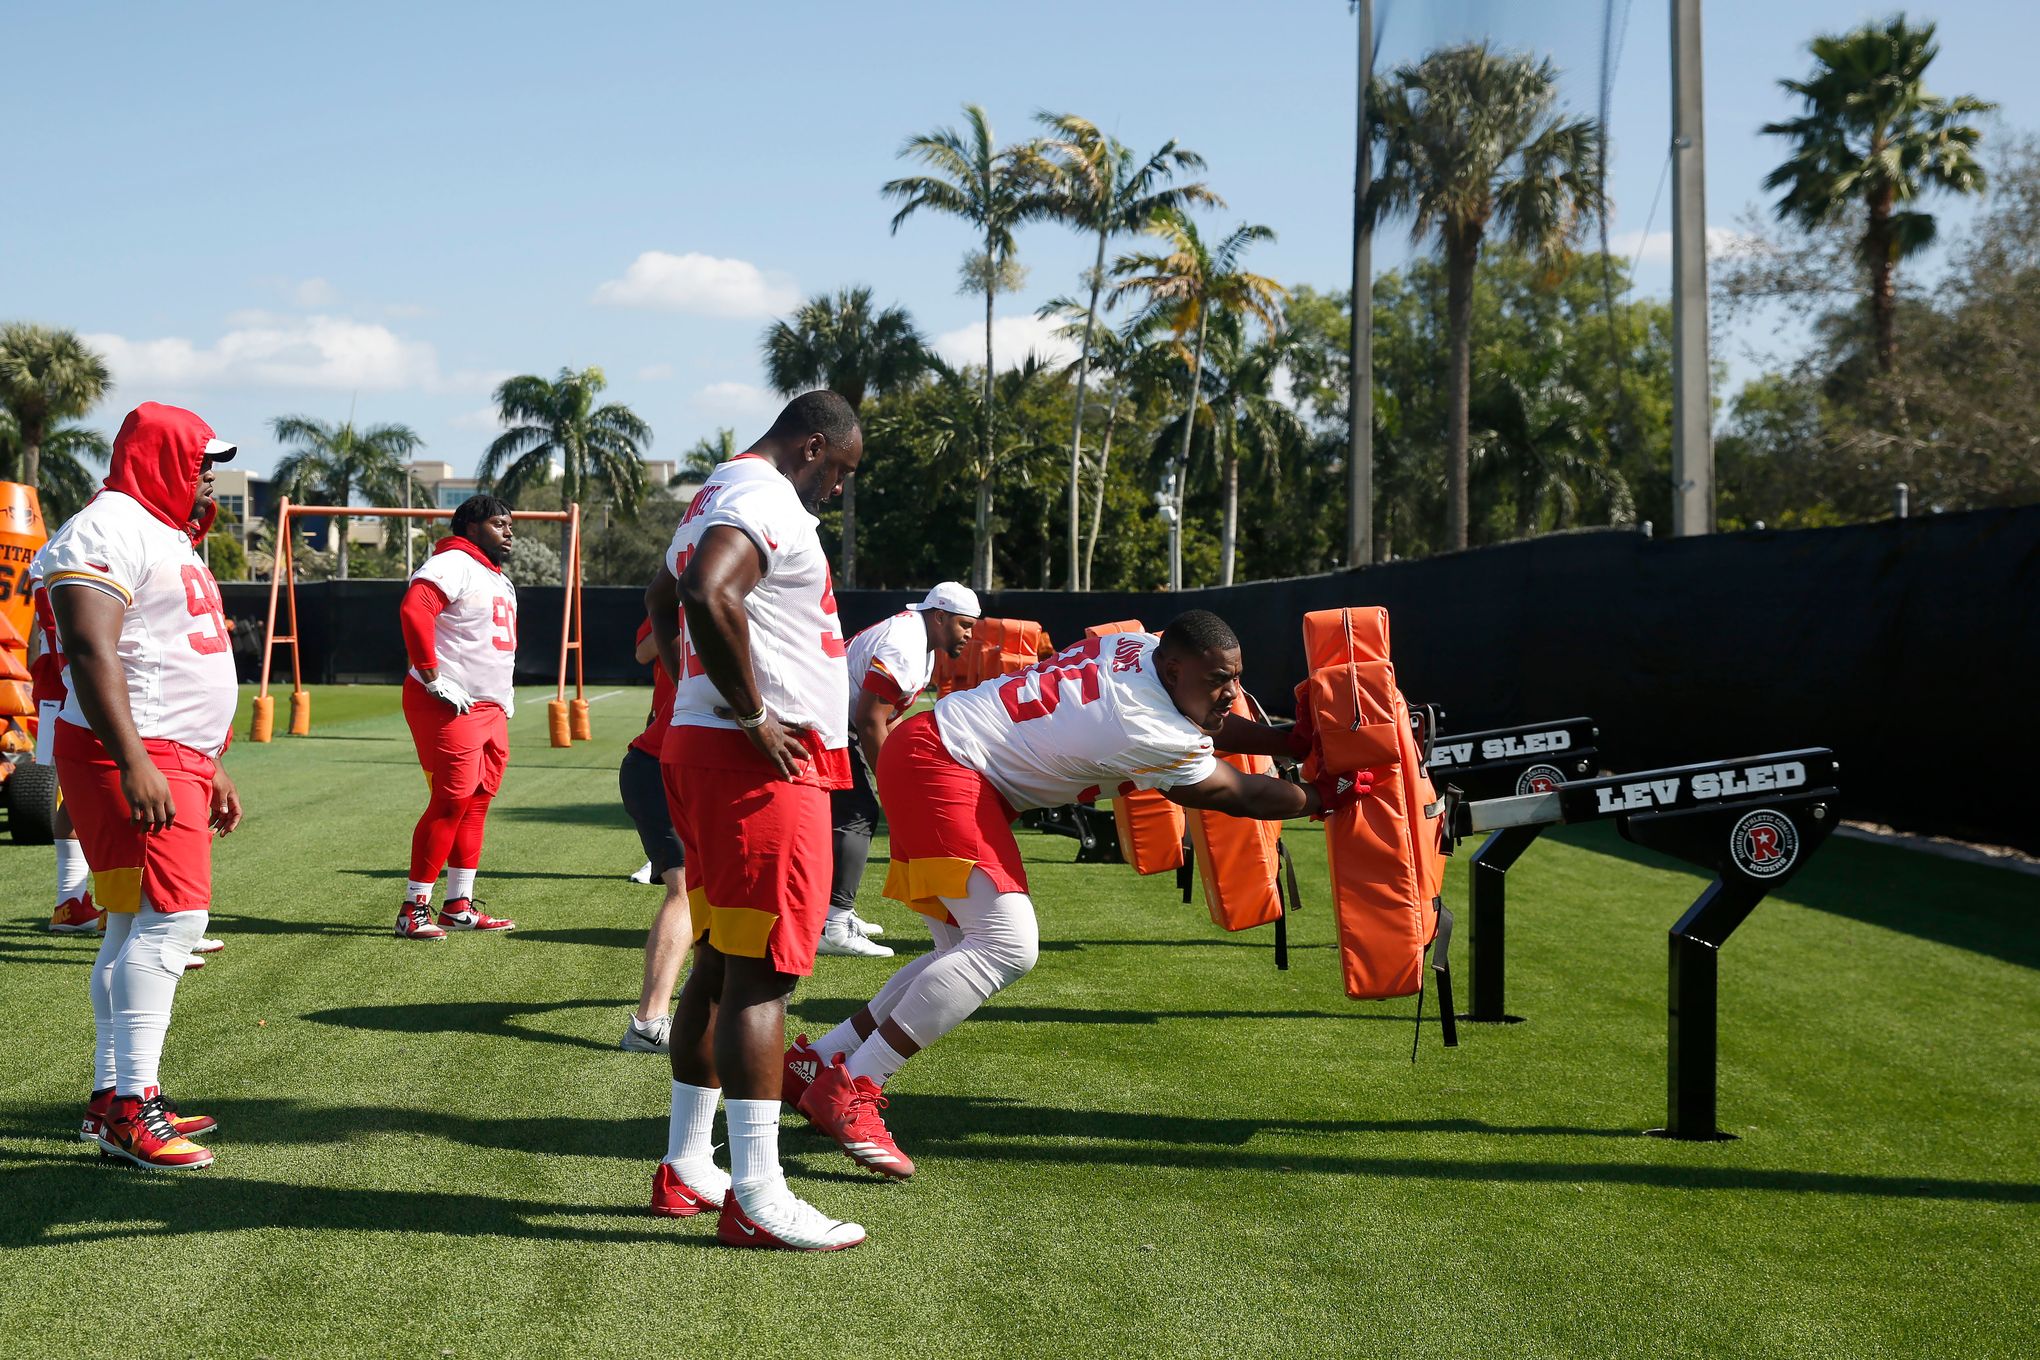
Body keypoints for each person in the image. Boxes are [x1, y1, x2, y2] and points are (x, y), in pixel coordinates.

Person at [783, 610, 1373, 1180]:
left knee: (959, 953)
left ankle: (820, 1060)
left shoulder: (1144, 650)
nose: (1231, 692)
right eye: (1219, 679)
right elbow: (1232, 793)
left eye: (1235, 678)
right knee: (1007, 947)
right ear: (1172, 670)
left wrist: (1284, 743)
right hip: (948, 766)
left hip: (939, 751)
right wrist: (1322, 798)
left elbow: (1205, 722)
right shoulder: (1143, 721)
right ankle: (854, 1083)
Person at [644, 390, 866, 1252]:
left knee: (722, 962)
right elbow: (703, 590)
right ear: (813, 447)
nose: (838, 490)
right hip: (757, 767)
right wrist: (748, 714)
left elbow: (663, 596)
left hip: (712, 753)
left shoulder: (714, 491)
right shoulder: (764, 496)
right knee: (762, 976)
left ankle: (687, 1164)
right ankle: (760, 1192)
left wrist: (693, 694)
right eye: (840, 471)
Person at [44, 402, 243, 1170]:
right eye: (199, 459)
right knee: (173, 921)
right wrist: (135, 760)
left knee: (132, 924)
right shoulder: (108, 524)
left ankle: (111, 1099)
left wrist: (207, 758)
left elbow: (169, 651)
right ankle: (133, 1107)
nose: (207, 474)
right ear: (159, 455)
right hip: (133, 750)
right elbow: (92, 648)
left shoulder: (157, 528)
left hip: (170, 750)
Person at [33, 553, 224, 967]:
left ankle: (82, 903)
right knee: (80, 792)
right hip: (83, 691)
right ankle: (80, 900)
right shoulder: (92, 541)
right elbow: (71, 633)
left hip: (107, 694)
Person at [821, 581, 980, 959]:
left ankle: (829, 915)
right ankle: (834, 925)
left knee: (846, 814)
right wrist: (891, 783)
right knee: (859, 813)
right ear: (939, 616)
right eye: (964, 625)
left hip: (838, 721)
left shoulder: (918, 638)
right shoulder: (905, 644)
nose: (969, 636)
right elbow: (869, 718)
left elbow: (883, 718)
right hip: (828, 722)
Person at [395, 495, 519, 940]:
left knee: (477, 803)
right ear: (469, 526)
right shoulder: (454, 561)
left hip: (488, 706)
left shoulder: (495, 577)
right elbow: (415, 608)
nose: (509, 531)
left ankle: (457, 905)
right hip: (450, 701)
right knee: (450, 799)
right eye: (498, 523)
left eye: (510, 524)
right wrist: (431, 676)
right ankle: (414, 908)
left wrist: (503, 697)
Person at [619, 616, 689, 1052]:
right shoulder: (694, 604)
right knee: (686, 887)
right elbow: (645, 650)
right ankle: (648, 1024)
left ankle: (713, 996)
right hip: (660, 768)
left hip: (679, 768)